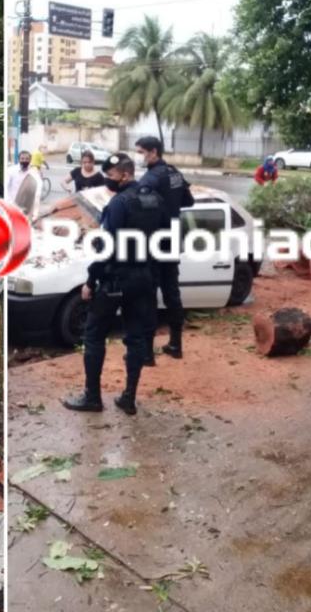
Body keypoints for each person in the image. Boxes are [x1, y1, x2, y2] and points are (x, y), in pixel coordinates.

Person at [63, 153, 166, 415]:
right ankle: (129, 398)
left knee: (95, 334)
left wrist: (91, 279)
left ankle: (92, 397)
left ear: (126, 175)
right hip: (143, 279)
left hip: (115, 279)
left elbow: (106, 247)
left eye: (111, 176)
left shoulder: (120, 204)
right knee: (135, 338)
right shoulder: (156, 201)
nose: (108, 180)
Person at [135, 135, 194, 361]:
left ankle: (147, 353)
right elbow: (189, 202)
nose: (139, 156)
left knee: (149, 295)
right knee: (172, 293)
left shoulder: (150, 179)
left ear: (153, 152)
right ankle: (175, 345)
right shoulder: (174, 173)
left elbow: (140, 210)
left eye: (140, 152)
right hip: (172, 240)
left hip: (154, 241)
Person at [7, 150, 40, 217]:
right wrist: (10, 203)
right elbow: (6, 187)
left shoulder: (33, 172)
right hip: (13, 205)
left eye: (27, 159)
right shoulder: (11, 171)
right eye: (22, 159)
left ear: (30, 160)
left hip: (27, 207)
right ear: (18, 159)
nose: (24, 161)